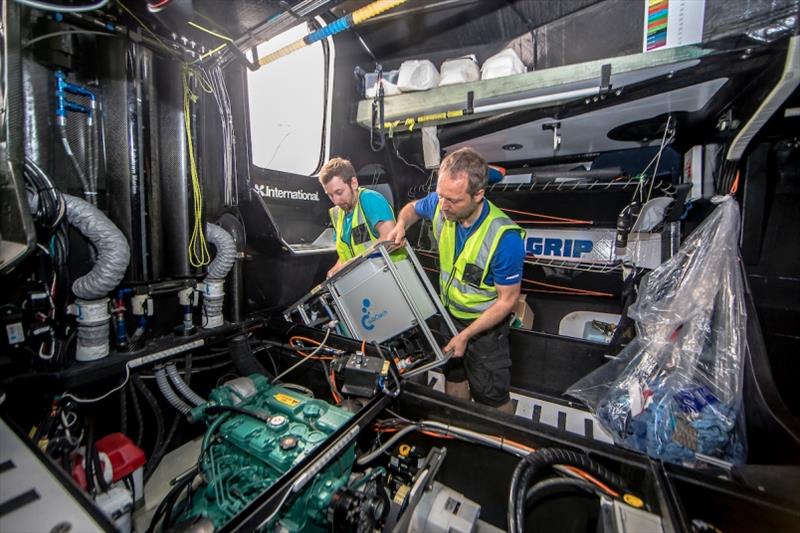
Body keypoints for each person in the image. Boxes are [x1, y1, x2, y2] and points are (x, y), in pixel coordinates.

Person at [387, 147, 525, 413]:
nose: (443, 206)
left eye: (452, 200)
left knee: (491, 396)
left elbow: (507, 301)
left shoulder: (505, 239)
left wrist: (467, 335)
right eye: (440, 196)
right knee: (454, 375)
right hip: (448, 315)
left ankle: (499, 446)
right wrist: (401, 225)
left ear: (478, 195)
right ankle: (457, 427)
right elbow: (412, 209)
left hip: (484, 327)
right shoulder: (442, 203)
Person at [319, 157, 396, 278]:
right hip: (363, 279)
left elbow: (390, 240)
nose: (336, 201)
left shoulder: (370, 199)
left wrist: (354, 263)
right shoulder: (336, 214)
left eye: (339, 192)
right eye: (330, 195)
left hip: (391, 274)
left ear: (353, 183)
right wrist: (335, 269)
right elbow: (347, 253)